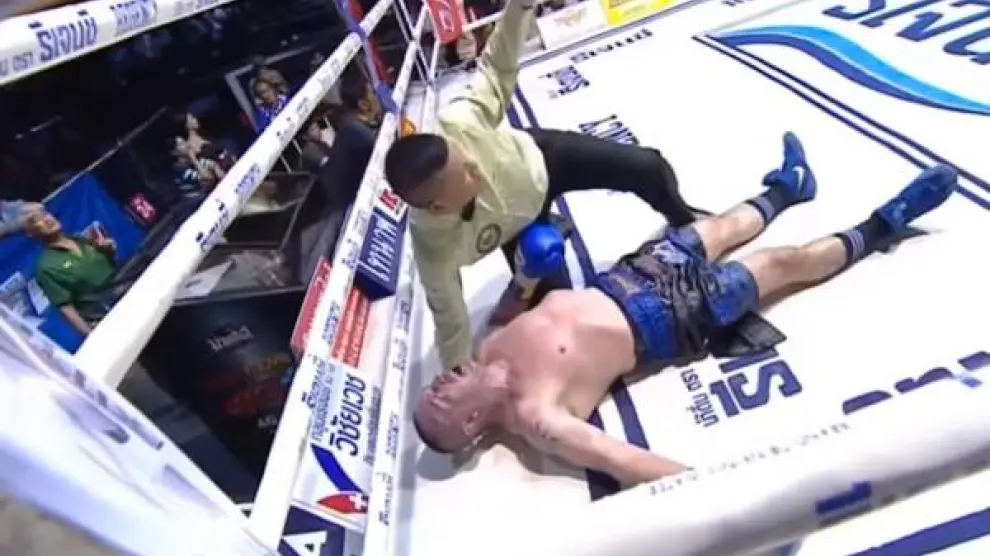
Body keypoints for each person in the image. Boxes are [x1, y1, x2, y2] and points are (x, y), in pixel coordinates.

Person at [412, 132, 959, 487]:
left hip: (624, 278)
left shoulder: (487, 348)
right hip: (669, 317)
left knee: (718, 226)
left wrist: (528, 274)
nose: (436, 384)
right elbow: (622, 461)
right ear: (470, 424)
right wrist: (731, 498)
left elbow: (512, 306)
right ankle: (883, 224)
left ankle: (788, 189)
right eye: (438, 401)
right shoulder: (538, 418)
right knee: (781, 262)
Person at [383, 0, 700, 376]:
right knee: (559, 316)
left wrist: (519, 9)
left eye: (465, 159)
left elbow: (496, 66)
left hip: (539, 162)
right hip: (519, 231)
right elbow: (450, 320)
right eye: (465, 176)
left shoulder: (460, 122)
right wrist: (459, 375)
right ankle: (531, 268)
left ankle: (687, 221)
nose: (475, 167)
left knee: (647, 166)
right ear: (437, 207)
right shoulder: (434, 250)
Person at [26, 210, 118, 337]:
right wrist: (92, 336)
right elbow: (66, 309)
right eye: (36, 220)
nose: (46, 220)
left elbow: (108, 267)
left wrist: (109, 249)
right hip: (107, 316)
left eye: (45, 214)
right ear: (31, 233)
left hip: (127, 292)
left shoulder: (80, 239)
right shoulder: (45, 267)